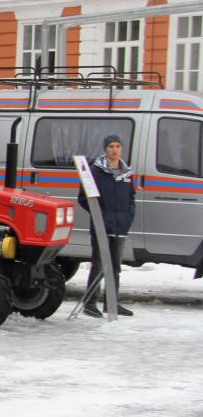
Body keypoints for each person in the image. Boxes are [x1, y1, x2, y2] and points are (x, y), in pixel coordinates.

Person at [77, 134, 136, 318]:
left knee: (115, 266)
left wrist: (128, 217)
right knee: (100, 264)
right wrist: (100, 217)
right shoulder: (95, 172)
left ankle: (111, 303)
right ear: (105, 149)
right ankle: (90, 303)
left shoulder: (126, 173)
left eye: (118, 146)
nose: (115, 149)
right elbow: (83, 198)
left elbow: (131, 198)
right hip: (101, 227)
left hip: (120, 227)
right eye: (111, 146)